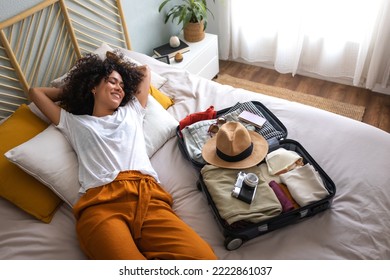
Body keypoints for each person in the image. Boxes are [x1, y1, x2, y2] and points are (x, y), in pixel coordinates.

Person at [29, 51, 217, 260]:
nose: (119, 87)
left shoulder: (132, 110)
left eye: (122, 85)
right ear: (93, 86)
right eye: (112, 82)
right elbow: (35, 92)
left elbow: (145, 72)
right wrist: (73, 90)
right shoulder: (74, 123)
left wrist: (115, 62)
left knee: (204, 259)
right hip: (101, 205)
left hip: (147, 196)